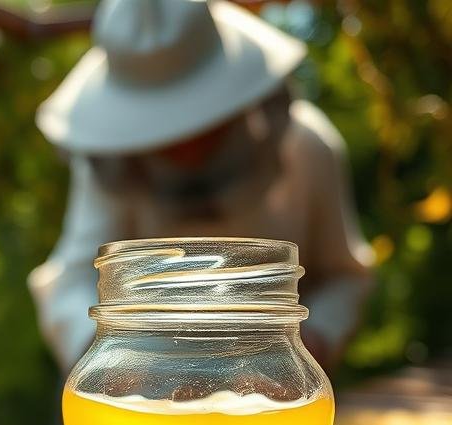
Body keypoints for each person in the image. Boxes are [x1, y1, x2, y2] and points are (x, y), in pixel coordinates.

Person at [29, 0, 374, 373]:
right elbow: (72, 279)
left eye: (201, 125)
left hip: (275, 399)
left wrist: (314, 341)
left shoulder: (308, 147)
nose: (186, 147)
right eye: (161, 132)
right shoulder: (112, 168)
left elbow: (344, 275)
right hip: (146, 402)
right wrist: (112, 369)